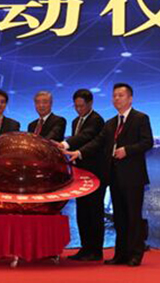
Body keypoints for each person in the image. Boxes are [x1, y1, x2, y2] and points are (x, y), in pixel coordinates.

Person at [64, 83, 154, 267]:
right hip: (114, 176)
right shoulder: (111, 123)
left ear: (130, 98)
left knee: (133, 216)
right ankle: (121, 254)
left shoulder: (140, 118)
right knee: (119, 218)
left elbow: (147, 142)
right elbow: (97, 142)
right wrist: (79, 153)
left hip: (133, 177)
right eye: (114, 96)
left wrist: (127, 150)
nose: (116, 99)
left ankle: (135, 254)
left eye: (121, 95)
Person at [57, 89, 105, 261]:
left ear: (90, 103)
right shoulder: (76, 121)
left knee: (94, 212)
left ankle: (96, 250)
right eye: (76, 106)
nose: (78, 109)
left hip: (95, 174)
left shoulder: (96, 120)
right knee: (82, 212)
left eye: (82, 106)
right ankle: (85, 248)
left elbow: (86, 136)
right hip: (81, 176)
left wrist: (64, 144)